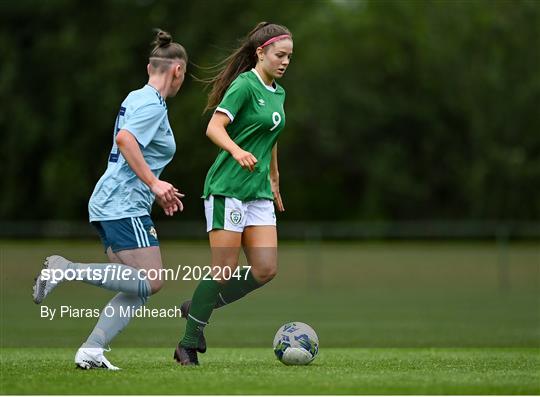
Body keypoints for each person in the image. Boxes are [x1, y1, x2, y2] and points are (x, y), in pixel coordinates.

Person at [32, 29, 187, 370]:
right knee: (152, 281)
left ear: (150, 67)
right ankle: (65, 269)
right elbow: (125, 139)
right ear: (177, 71)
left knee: (138, 288)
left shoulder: (137, 97)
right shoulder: (152, 105)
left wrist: (154, 189)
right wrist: (155, 184)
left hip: (114, 201)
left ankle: (92, 349)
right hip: (122, 203)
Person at [174, 22, 293, 366]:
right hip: (227, 188)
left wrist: (274, 176)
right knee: (223, 270)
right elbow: (214, 127)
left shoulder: (278, 92)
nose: (285, 62)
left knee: (265, 269)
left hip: (257, 192)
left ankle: (199, 305)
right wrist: (237, 151)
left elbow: (271, 134)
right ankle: (187, 343)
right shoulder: (243, 85)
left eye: (289, 56)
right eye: (279, 55)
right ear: (261, 53)